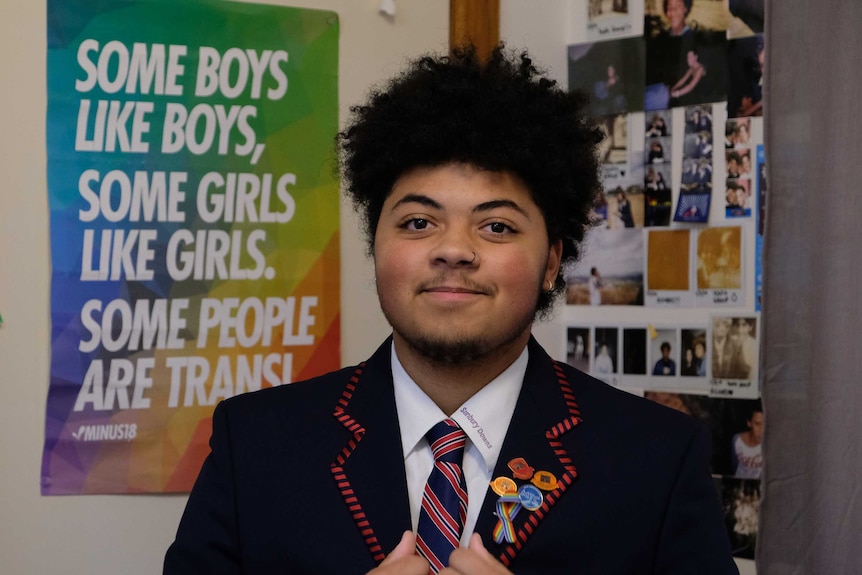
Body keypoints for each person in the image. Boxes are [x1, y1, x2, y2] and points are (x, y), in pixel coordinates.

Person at [164, 45, 737, 575]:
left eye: (496, 226)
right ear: (377, 247)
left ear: (551, 262)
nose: (454, 250)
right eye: (418, 222)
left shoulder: (656, 459)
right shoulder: (256, 444)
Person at [731, 402, 764, 479]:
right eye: (757, 424)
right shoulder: (737, 440)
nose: (762, 430)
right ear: (749, 423)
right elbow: (734, 464)